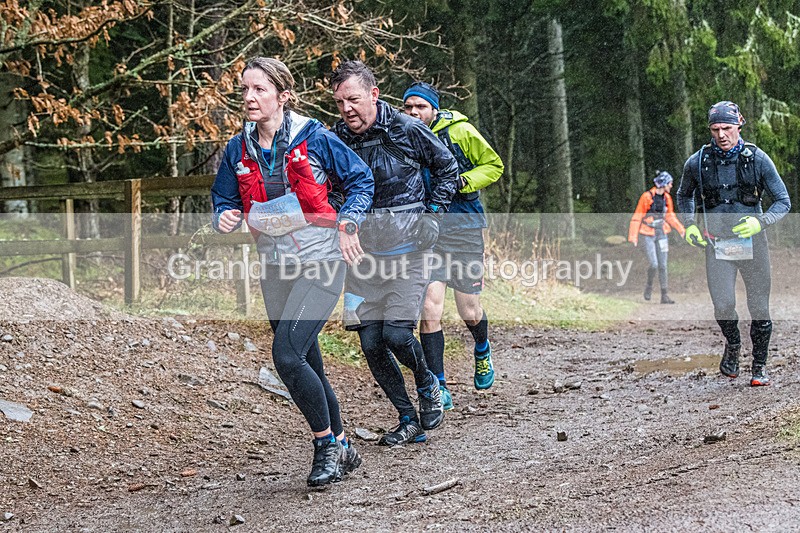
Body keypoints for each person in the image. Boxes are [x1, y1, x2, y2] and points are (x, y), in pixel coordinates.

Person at [211, 57, 374, 486]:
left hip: (322, 261)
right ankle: (343, 446)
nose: (248, 97)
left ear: (283, 96)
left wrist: (349, 222)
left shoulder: (315, 137)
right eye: (244, 89)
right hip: (276, 267)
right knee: (306, 360)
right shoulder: (236, 148)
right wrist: (223, 216)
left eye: (259, 89)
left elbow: (361, 180)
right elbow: (223, 199)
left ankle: (324, 448)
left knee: (285, 355)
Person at [330, 61, 460, 445]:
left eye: (353, 99)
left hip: (410, 250)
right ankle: (406, 418)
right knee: (370, 344)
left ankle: (428, 384)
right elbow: (329, 184)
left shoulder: (407, 128)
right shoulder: (336, 137)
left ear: (374, 94)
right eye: (339, 103)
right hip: (362, 258)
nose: (347, 109)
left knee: (398, 335)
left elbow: (447, 167)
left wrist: (433, 213)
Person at [403, 82, 504, 410]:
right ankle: (438, 384)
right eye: (409, 108)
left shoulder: (460, 131)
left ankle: (482, 347)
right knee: (430, 307)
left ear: (434, 109)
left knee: (468, 309)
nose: (414, 113)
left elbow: (494, 165)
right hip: (427, 232)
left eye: (420, 107)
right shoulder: (404, 137)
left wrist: (463, 181)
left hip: (465, 227)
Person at [676, 100, 790, 387]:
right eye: (715, 129)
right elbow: (684, 195)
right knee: (723, 306)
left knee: (759, 307)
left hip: (754, 245)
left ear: (740, 125)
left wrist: (760, 222)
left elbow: (783, 201)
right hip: (717, 246)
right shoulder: (698, 162)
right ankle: (734, 345)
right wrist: (689, 225)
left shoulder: (758, 159)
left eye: (727, 127)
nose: (721, 134)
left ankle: (759, 366)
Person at [627, 170, 685, 304]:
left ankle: (664, 295)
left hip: (662, 233)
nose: (671, 186)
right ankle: (649, 286)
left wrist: (681, 230)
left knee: (663, 265)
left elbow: (670, 216)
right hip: (647, 233)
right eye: (670, 183)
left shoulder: (667, 198)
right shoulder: (647, 197)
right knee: (654, 264)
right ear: (664, 184)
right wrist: (633, 237)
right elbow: (637, 217)